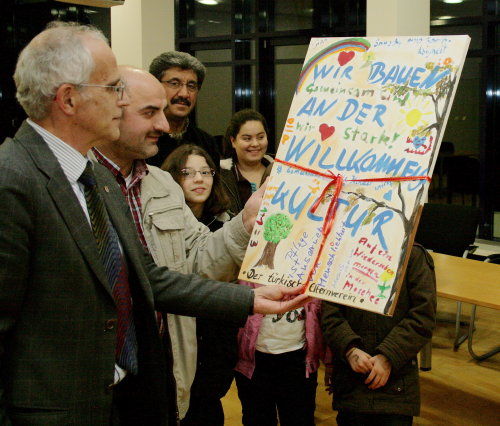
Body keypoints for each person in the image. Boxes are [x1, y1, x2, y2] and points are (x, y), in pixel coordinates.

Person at [0, 22, 309, 425]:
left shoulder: (92, 179)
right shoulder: (13, 179)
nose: (163, 124)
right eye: (112, 89)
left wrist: (249, 299)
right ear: (69, 99)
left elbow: (149, 278)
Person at [91, 66, 250, 421]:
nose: (164, 125)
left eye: (162, 112)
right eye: (150, 112)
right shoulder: (74, 182)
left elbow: (198, 260)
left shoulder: (161, 184)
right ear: (109, 110)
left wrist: (245, 224)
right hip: (95, 378)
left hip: (162, 366)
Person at [321, 243, 437, 426]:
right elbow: (329, 313)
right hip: (351, 382)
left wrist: (388, 355)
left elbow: (423, 316)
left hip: (397, 384)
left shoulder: (413, 255)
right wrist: (349, 349)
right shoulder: (343, 251)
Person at [163, 144, 237, 425]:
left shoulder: (227, 227)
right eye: (188, 173)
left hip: (214, 345)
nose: (199, 179)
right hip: (175, 343)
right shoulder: (164, 226)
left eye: (206, 172)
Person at [147, 51, 219, 168]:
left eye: (191, 86)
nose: (184, 94)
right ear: (155, 86)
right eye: (174, 83)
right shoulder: (142, 139)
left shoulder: (206, 143)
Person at [220, 108, 274, 214]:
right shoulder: (220, 175)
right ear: (233, 141)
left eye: (260, 137)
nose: (255, 144)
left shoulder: (280, 170)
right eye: (247, 138)